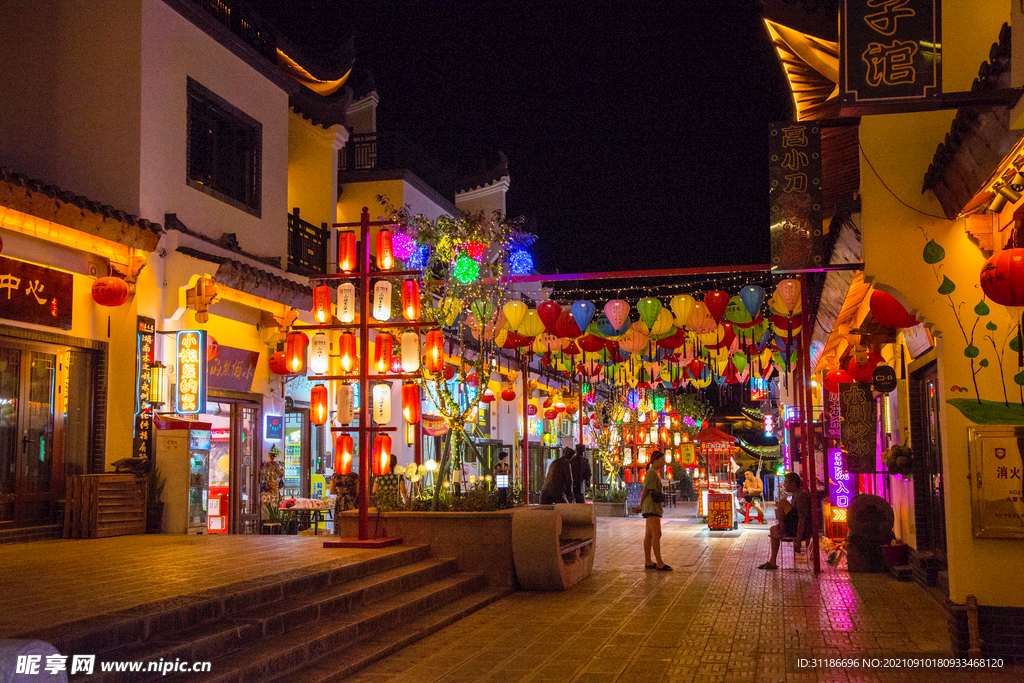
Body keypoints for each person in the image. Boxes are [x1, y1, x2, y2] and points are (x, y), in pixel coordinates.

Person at [758, 471, 811, 570]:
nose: (784, 485)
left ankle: (781, 529)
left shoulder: (801, 496)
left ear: (793, 484)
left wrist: (798, 540)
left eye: (786, 483)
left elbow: (802, 519)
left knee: (782, 502)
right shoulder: (796, 495)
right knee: (773, 529)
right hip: (793, 525)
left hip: (800, 529)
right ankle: (772, 561)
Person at [641, 450, 672, 571]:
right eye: (662, 460)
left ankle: (648, 560)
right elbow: (646, 490)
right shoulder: (651, 473)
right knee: (656, 534)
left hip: (653, 506)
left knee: (649, 535)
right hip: (651, 506)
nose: (664, 463)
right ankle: (659, 562)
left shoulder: (652, 472)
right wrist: (640, 504)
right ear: (656, 460)